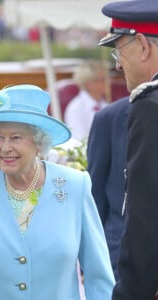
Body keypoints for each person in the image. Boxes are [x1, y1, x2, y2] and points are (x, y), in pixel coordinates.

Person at [0, 84, 115, 299]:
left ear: (39, 142)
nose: (5, 147)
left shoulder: (74, 185)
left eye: (16, 137)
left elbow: (98, 273)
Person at [99, 1, 158, 298]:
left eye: (119, 50)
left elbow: (146, 220)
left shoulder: (151, 106)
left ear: (144, 46)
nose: (119, 64)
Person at [87, 97, 130, 281]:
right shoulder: (109, 118)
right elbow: (95, 194)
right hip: (120, 257)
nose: (119, 66)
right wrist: (90, 260)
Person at [64, 59, 108, 140]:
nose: (107, 82)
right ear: (89, 84)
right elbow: (81, 140)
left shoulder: (105, 103)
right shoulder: (76, 108)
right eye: (102, 79)